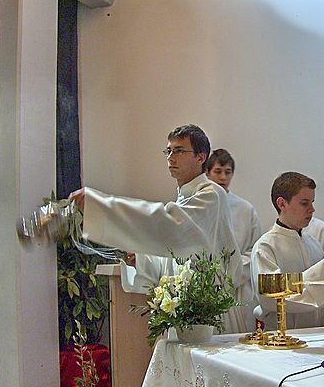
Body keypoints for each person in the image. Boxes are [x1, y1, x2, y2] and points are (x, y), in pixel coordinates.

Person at [68, 124, 242, 323]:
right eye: (169, 151)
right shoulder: (184, 198)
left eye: (179, 151)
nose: (171, 157)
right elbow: (174, 256)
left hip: (211, 311)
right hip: (185, 309)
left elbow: (170, 228)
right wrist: (141, 260)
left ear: (201, 157)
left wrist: (102, 206)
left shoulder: (211, 195)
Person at [251, 171, 324, 330]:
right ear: (282, 204)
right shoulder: (265, 247)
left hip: (321, 333)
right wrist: (319, 273)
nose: (312, 209)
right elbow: (270, 298)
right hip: (286, 336)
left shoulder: (313, 243)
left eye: (312, 202)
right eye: (304, 203)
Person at [206, 148, 261, 332]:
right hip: (206, 288)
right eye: (218, 171)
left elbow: (254, 250)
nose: (223, 177)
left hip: (237, 289)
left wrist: (230, 275)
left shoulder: (245, 209)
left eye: (227, 172)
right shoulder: (199, 205)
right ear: (207, 172)